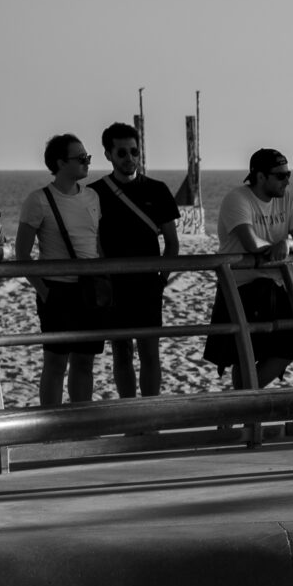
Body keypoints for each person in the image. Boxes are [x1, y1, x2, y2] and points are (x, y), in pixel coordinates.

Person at [201, 148, 293, 387]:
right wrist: (278, 250)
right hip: (240, 287)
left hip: (276, 285)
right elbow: (251, 243)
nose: (287, 181)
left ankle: (240, 401)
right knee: (244, 357)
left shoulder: (288, 199)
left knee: (286, 351)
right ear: (260, 177)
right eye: (280, 176)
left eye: (288, 174)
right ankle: (243, 403)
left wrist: (288, 243)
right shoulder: (237, 198)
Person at [14, 134, 105, 406]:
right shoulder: (39, 200)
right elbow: (22, 253)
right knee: (55, 363)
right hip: (58, 289)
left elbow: (96, 243)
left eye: (88, 157)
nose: (87, 162)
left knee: (85, 362)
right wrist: (45, 292)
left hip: (91, 289)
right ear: (60, 162)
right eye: (81, 158)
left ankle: (81, 423)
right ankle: (52, 426)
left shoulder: (92, 196)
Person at [91, 122, 180, 397]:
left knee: (150, 353)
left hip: (148, 285)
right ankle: (128, 411)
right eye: (122, 152)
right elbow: (92, 243)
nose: (129, 158)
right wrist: (102, 279)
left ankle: (150, 413)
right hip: (114, 286)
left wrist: (161, 279)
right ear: (108, 155)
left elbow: (172, 243)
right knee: (121, 353)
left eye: (134, 151)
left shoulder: (158, 189)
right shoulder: (95, 193)